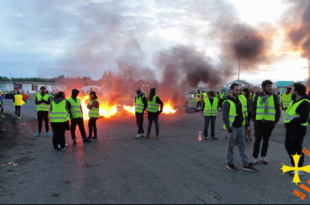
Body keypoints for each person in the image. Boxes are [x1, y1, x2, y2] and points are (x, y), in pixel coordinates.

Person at [223, 83, 257, 172]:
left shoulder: (240, 101)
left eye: (239, 90)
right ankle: (229, 163)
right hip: (232, 128)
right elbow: (225, 117)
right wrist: (229, 129)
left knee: (243, 146)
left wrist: (247, 125)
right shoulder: (227, 102)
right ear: (231, 90)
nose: (238, 92)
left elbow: (243, 114)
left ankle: (246, 164)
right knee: (230, 146)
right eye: (236, 90)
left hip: (241, 127)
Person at [251, 80, 281, 165]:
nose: (270, 88)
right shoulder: (257, 96)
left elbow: (278, 110)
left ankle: (263, 156)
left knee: (266, 140)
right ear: (263, 87)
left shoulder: (274, 97)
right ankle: (254, 157)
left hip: (269, 122)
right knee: (257, 140)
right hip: (259, 122)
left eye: (271, 86)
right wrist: (253, 120)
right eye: (268, 86)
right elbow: (254, 108)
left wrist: (275, 121)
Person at [284, 83, 310, 176]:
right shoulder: (294, 101)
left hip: (298, 129)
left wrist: (291, 121)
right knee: (289, 146)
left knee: (297, 149)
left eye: (292, 89)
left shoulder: (305, 102)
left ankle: (299, 169)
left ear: (297, 91)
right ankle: (293, 164)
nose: (291, 91)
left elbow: (304, 118)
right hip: (290, 129)